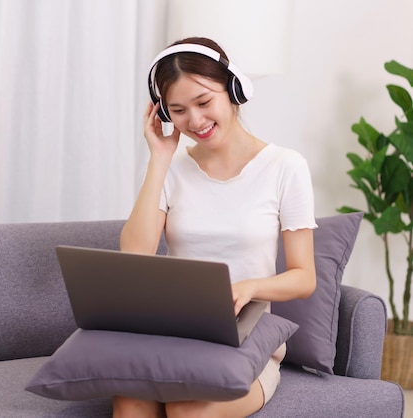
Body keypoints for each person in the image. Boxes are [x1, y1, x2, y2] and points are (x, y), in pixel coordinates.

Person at [114, 37, 317, 418]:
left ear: (234, 88)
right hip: (175, 333)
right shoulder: (171, 169)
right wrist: (159, 158)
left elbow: (304, 278)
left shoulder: (285, 167)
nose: (194, 121)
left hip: (246, 338)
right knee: (129, 402)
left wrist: (249, 287)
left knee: (186, 409)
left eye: (204, 102)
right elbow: (135, 253)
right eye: (178, 110)